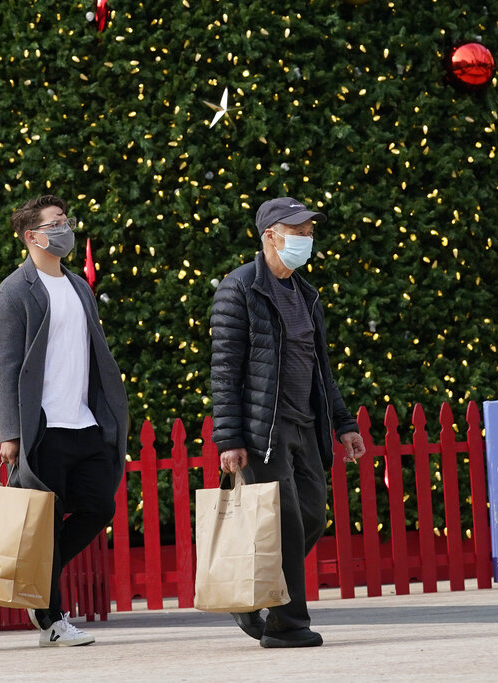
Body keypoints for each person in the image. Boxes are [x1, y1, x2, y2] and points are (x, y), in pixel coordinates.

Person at [210, 196, 367, 648]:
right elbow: (224, 370)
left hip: (305, 425)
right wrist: (230, 438)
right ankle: (287, 626)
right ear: (270, 235)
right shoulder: (239, 289)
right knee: (286, 526)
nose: (305, 238)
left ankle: (251, 596)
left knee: (313, 517)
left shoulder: (306, 293)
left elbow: (322, 367)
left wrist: (343, 423)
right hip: (265, 431)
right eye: (297, 230)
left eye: (309, 231)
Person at [0, 195, 128, 647]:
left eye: (66, 220)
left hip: (83, 421)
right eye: (55, 223)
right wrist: (11, 433)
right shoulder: (13, 293)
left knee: (99, 505)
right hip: (41, 428)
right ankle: (51, 619)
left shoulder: (79, 286)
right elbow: (3, 366)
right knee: (45, 524)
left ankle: (36, 580)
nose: (65, 229)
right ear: (32, 237)